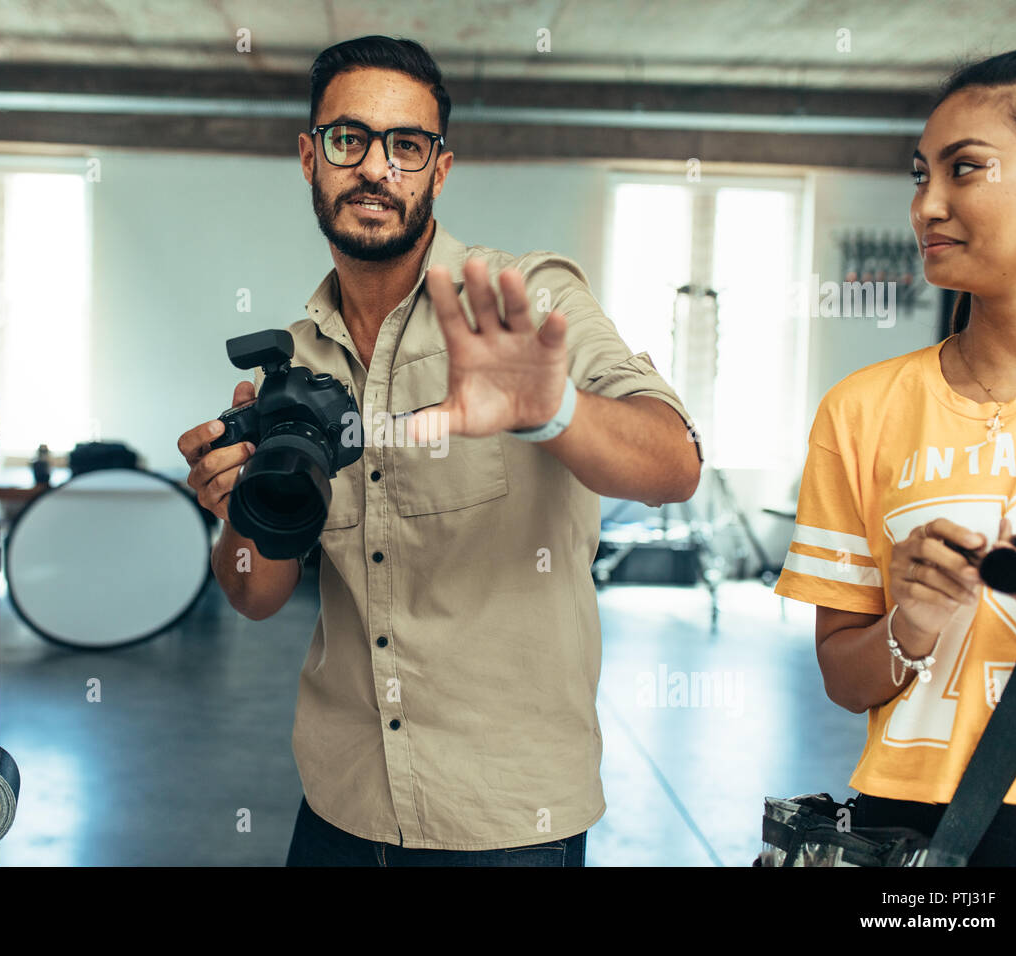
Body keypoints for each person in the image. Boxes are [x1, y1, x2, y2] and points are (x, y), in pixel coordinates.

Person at [179, 35, 702, 866]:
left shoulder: (528, 300)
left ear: (440, 169)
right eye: (350, 140)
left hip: (507, 820)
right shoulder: (294, 364)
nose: (376, 168)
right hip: (342, 806)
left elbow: (674, 464)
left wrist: (550, 407)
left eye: (407, 146)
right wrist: (237, 512)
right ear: (310, 156)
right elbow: (254, 597)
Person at [775, 47, 1016, 865]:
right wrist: (911, 624)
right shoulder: (861, 409)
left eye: (966, 169)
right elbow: (843, 677)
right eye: (920, 174)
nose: (927, 205)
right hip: (917, 830)